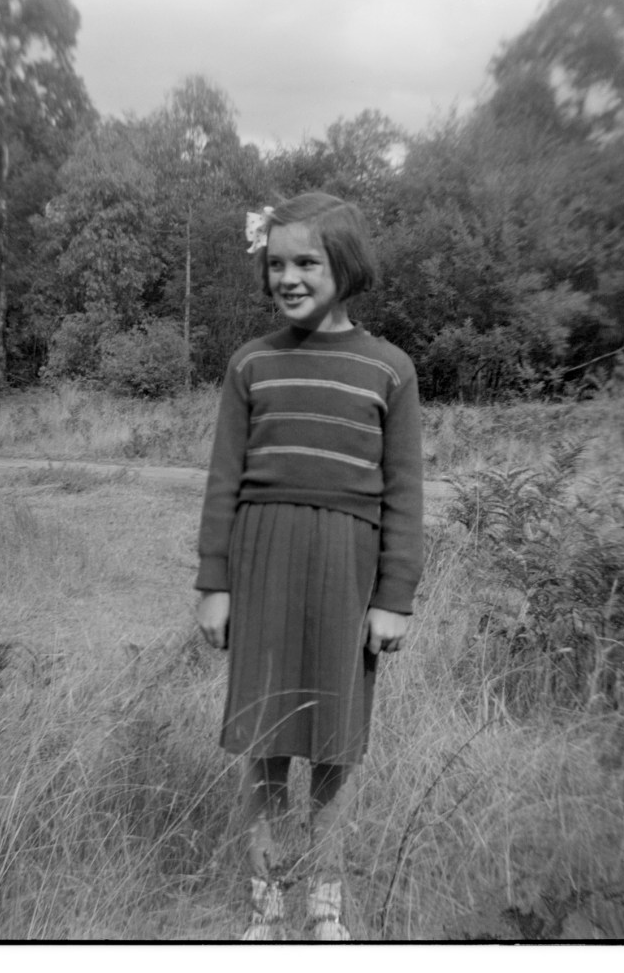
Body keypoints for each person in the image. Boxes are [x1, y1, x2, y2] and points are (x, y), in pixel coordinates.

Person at [195, 191, 424, 941]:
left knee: (334, 745)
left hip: (345, 571)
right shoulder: (251, 363)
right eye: (276, 263)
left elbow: (404, 495)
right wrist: (215, 583)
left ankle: (325, 908)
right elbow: (223, 481)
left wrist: (393, 598)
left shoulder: (389, 369)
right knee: (265, 743)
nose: (287, 277)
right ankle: (265, 910)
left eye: (306, 262)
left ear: (345, 268)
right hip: (262, 561)